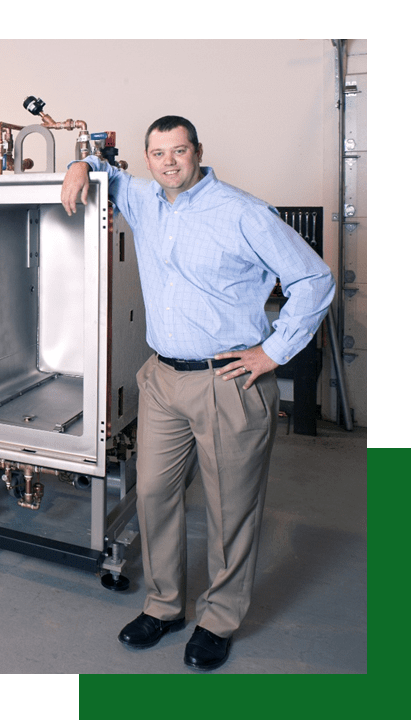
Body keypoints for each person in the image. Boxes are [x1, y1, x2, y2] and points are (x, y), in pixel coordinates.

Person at [61, 116, 334, 671]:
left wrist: (275, 353)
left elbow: (315, 280)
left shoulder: (243, 213)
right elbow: (106, 172)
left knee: (230, 509)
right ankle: (164, 606)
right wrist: (78, 166)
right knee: (153, 494)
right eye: (157, 153)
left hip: (228, 381)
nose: (168, 162)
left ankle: (218, 619)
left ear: (198, 152)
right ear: (149, 157)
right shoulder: (144, 199)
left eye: (178, 151)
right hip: (162, 379)